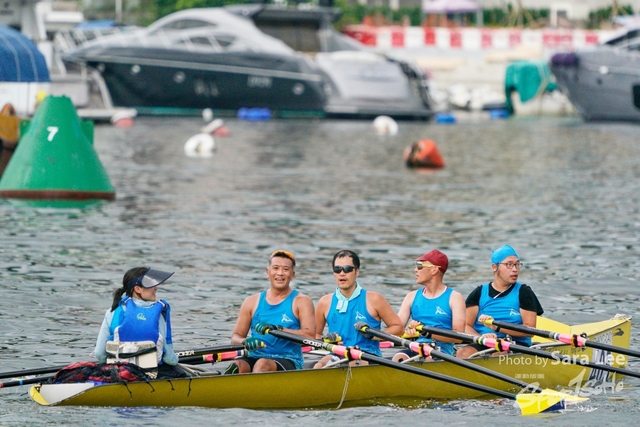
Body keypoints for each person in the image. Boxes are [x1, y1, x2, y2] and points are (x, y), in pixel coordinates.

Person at [226, 250, 315, 373]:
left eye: (285, 269)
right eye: (275, 268)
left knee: (262, 364)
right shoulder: (251, 301)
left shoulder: (302, 301)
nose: (280, 273)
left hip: (288, 359)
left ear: (292, 274)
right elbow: (235, 337)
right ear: (267, 272)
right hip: (255, 355)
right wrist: (244, 341)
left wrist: (278, 329)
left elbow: (310, 336)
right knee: (237, 365)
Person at [93, 267, 188, 378]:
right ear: (137, 289)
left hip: (119, 374)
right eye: (150, 284)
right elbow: (169, 358)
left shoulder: (113, 312)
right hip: (154, 373)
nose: (156, 287)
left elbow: (99, 354)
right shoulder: (158, 314)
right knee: (183, 374)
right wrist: (175, 360)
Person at [314, 250, 403, 368]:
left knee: (350, 362)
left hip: (368, 355)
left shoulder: (374, 299)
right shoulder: (325, 302)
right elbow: (314, 335)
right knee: (319, 365)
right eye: (337, 269)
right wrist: (325, 341)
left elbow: (398, 328)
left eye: (347, 269)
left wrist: (373, 336)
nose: (342, 273)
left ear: (357, 272)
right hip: (337, 354)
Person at [456, 245, 544, 359]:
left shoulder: (524, 292)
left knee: (499, 353)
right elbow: (465, 326)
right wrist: (482, 339)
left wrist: (497, 327)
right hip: (485, 342)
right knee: (462, 353)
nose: (515, 269)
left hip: (515, 344)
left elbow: (530, 330)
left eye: (517, 264)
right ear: (494, 267)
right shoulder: (479, 292)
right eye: (509, 264)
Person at [392, 249, 465, 362]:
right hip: (416, 347)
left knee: (427, 359)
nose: (415, 270)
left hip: (441, 351)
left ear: (434, 270)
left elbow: (459, 337)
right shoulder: (411, 296)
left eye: (420, 266)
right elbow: (397, 328)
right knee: (398, 358)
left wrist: (426, 333)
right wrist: (409, 332)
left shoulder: (454, 297)